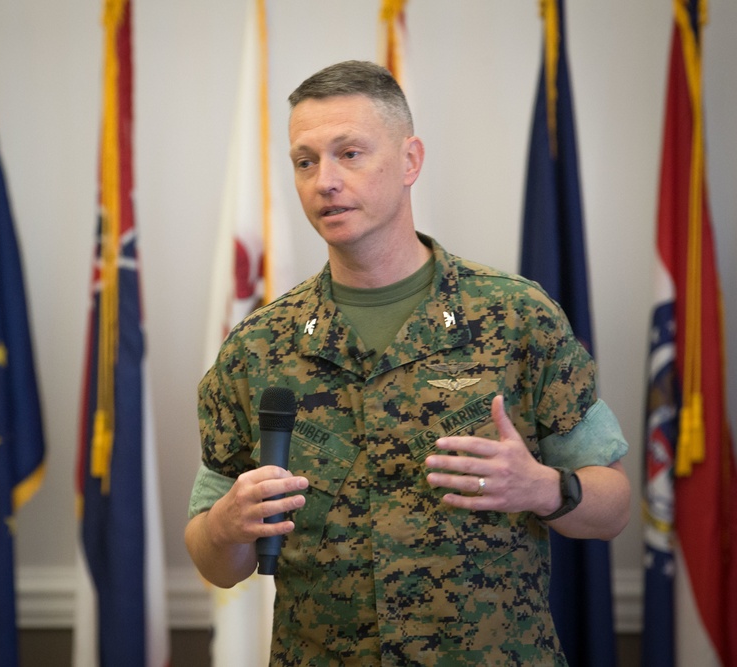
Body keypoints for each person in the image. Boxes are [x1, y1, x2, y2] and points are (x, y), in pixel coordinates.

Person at [185, 60, 630, 665]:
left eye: (350, 153)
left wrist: (541, 486)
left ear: (410, 160)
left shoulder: (516, 318)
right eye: (305, 161)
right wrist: (227, 526)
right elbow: (216, 563)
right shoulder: (259, 347)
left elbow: (614, 508)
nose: (326, 181)